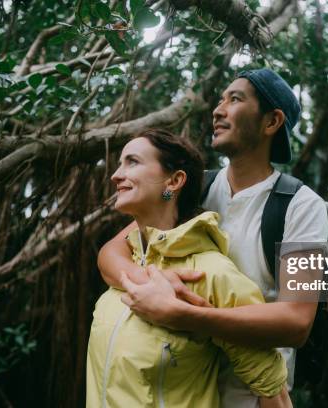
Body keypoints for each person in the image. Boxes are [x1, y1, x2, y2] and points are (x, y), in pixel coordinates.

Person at [98, 69, 328, 407]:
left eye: (235, 99)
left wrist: (180, 313)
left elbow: (295, 321)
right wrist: (155, 285)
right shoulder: (196, 188)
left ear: (271, 122)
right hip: (178, 392)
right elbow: (110, 254)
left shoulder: (301, 206)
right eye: (220, 99)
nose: (217, 110)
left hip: (253, 398)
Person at [86, 129, 293, 408]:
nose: (115, 175)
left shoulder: (210, 273)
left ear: (174, 180)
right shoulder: (126, 267)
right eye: (120, 163)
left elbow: (271, 387)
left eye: (132, 162)